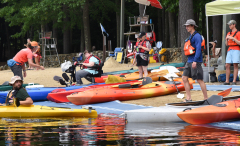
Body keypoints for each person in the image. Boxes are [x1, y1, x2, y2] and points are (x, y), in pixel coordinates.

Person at [182, 19, 208, 102]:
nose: (186, 27)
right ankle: (189, 98)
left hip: (195, 61)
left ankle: (206, 98)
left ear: (193, 26)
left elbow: (198, 49)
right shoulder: (191, 36)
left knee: (199, 79)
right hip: (189, 61)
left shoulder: (197, 36)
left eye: (188, 26)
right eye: (186, 26)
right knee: (184, 78)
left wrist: (195, 61)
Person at [224, 20, 240, 85]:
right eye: (229, 25)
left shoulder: (238, 33)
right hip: (230, 49)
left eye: (230, 25)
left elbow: (239, 42)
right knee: (227, 65)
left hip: (236, 49)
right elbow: (226, 44)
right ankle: (227, 81)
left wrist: (233, 38)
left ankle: (234, 81)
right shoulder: (228, 33)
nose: (229, 26)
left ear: (234, 25)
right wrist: (227, 40)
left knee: (235, 65)